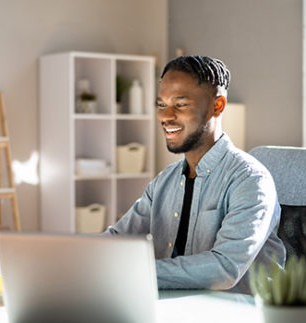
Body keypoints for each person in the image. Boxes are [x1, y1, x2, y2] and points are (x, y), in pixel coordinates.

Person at [104, 55, 285, 294]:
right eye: (161, 105)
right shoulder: (164, 182)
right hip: (177, 309)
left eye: (180, 104)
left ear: (217, 106)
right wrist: (79, 258)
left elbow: (224, 268)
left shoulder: (250, 180)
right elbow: (117, 239)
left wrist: (135, 272)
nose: (165, 116)